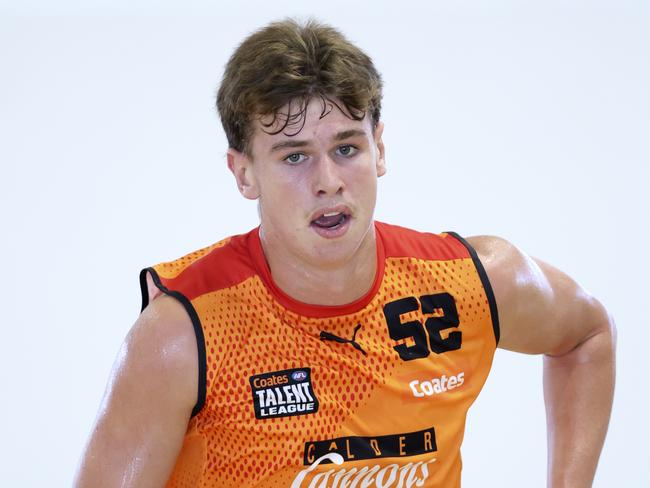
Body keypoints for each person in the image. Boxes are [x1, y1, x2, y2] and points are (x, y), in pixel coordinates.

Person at [73, 18, 616, 488]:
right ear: (243, 173)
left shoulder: (469, 283)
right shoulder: (182, 336)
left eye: (346, 148)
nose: (328, 181)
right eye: (294, 157)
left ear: (379, 147)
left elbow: (587, 334)